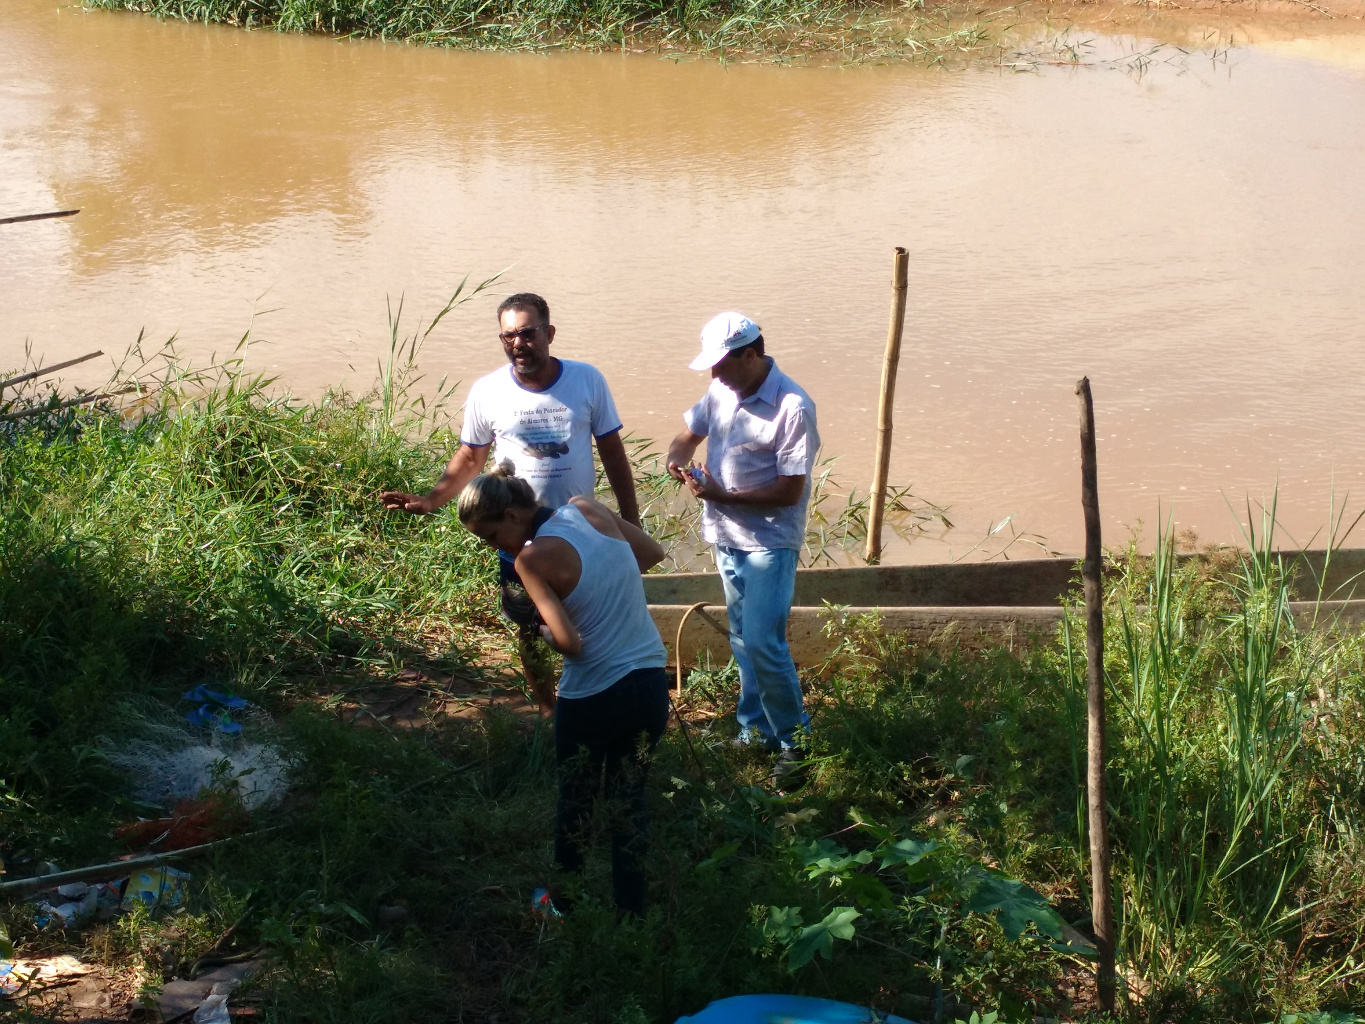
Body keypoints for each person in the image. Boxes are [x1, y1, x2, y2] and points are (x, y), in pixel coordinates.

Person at [379, 293, 640, 717]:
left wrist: (630, 520)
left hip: (578, 530)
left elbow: (612, 452)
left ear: (549, 333)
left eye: (527, 333)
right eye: (508, 335)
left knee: (593, 614)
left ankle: (600, 695)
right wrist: (430, 501)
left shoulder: (586, 380)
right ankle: (548, 710)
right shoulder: (488, 390)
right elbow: (470, 457)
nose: (518, 343)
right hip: (515, 533)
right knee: (529, 625)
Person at [457, 462, 669, 918]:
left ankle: (563, 905)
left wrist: (539, 624)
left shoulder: (530, 560)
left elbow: (571, 643)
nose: (493, 548)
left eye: (491, 537)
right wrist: (602, 588)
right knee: (629, 800)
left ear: (512, 515)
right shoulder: (588, 508)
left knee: (577, 800)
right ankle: (631, 916)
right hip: (651, 678)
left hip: (593, 694)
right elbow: (652, 553)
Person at [666, 312, 819, 786]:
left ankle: (797, 744)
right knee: (741, 638)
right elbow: (689, 433)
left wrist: (723, 496)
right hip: (726, 536)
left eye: (720, 364)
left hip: (770, 541)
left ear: (750, 355)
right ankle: (756, 729)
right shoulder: (721, 390)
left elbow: (790, 491)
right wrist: (676, 459)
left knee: (763, 642)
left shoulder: (792, 407)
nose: (713, 373)